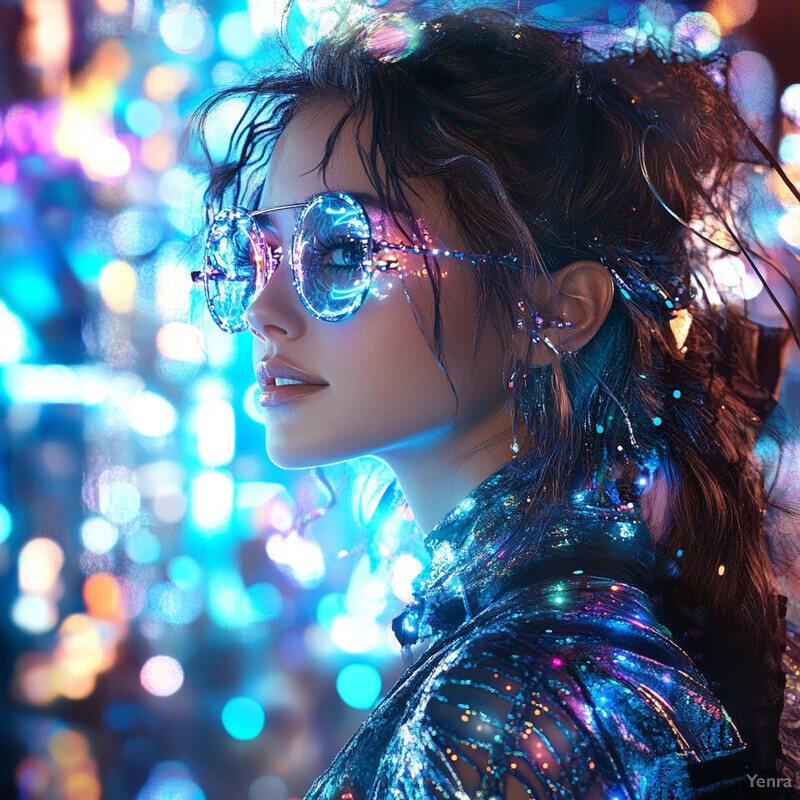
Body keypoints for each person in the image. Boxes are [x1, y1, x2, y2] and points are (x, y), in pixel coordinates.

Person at [190, 6, 800, 797]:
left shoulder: (510, 703)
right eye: (257, 251)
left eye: (342, 249)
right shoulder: (552, 642)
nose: (263, 309)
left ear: (555, 310)